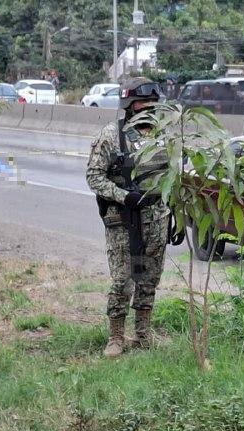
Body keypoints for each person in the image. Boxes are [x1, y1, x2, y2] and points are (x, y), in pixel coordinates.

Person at [86, 77, 170, 358]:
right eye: (143, 104)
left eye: (153, 105)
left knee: (149, 278)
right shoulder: (112, 135)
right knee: (123, 280)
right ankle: (116, 337)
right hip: (123, 220)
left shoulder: (164, 135)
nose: (149, 110)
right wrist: (123, 196)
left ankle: (143, 334)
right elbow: (94, 177)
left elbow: (173, 177)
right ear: (130, 106)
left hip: (157, 218)